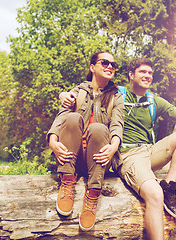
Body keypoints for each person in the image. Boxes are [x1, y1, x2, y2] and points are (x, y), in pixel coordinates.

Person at [60, 57, 176, 240]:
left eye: (150, 73)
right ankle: (159, 197)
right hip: (127, 155)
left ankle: (169, 185)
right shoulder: (117, 93)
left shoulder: (153, 100)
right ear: (131, 75)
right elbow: (90, 88)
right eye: (142, 72)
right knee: (155, 195)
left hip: (149, 151)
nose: (147, 76)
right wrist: (64, 94)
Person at [47, 51, 124, 231]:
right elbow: (61, 117)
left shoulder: (116, 96)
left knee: (98, 128)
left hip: (98, 159)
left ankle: (93, 193)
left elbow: (117, 124)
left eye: (113, 64)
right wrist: (52, 141)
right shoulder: (77, 92)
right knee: (73, 118)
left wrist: (113, 146)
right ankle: (67, 181)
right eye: (105, 62)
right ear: (92, 67)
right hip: (71, 157)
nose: (110, 67)